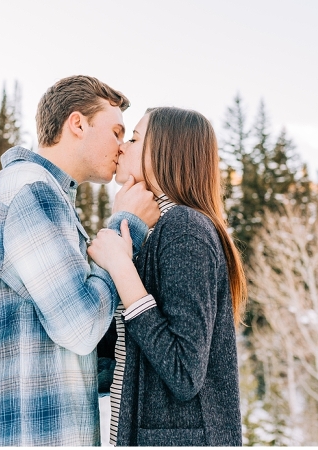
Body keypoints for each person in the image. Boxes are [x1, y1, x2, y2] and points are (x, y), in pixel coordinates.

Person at [0, 75, 160, 446]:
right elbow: (80, 326)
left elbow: (64, 341)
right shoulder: (32, 190)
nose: (121, 146)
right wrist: (126, 228)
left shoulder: (38, 191)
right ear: (77, 124)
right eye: (116, 132)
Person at [88, 107, 247, 446]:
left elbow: (184, 371)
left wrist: (121, 267)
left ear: (165, 151)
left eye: (134, 139)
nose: (122, 147)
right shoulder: (158, 231)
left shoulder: (185, 228)